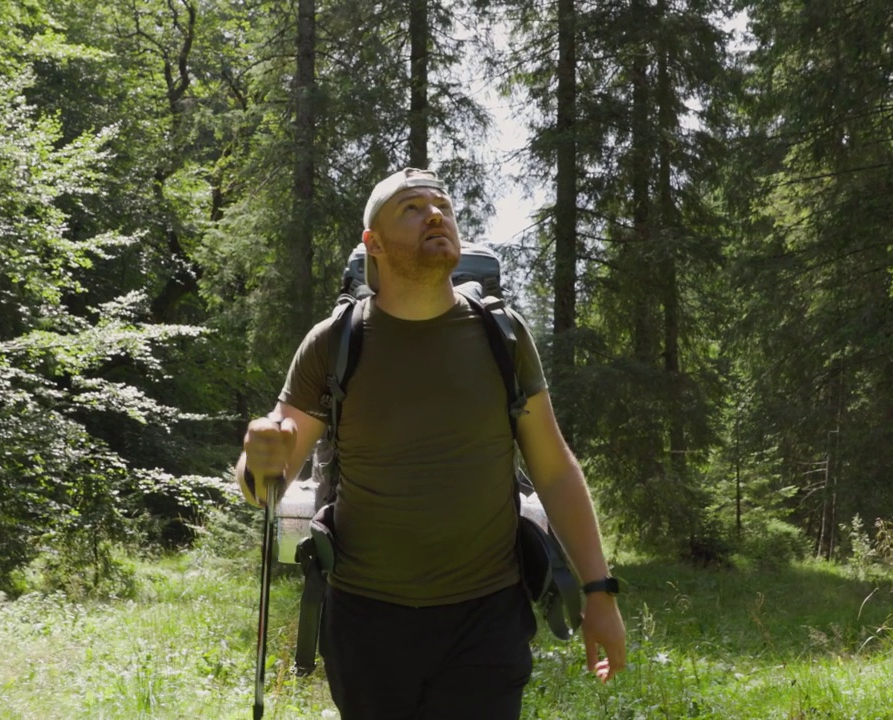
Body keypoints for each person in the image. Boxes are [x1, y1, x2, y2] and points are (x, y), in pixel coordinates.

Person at [235, 168, 626, 719]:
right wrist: (258, 457)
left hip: (486, 619)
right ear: (373, 244)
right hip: (366, 622)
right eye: (411, 209)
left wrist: (599, 592)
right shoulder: (334, 343)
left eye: (441, 204)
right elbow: (266, 484)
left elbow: (554, 470)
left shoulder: (502, 335)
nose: (435, 213)